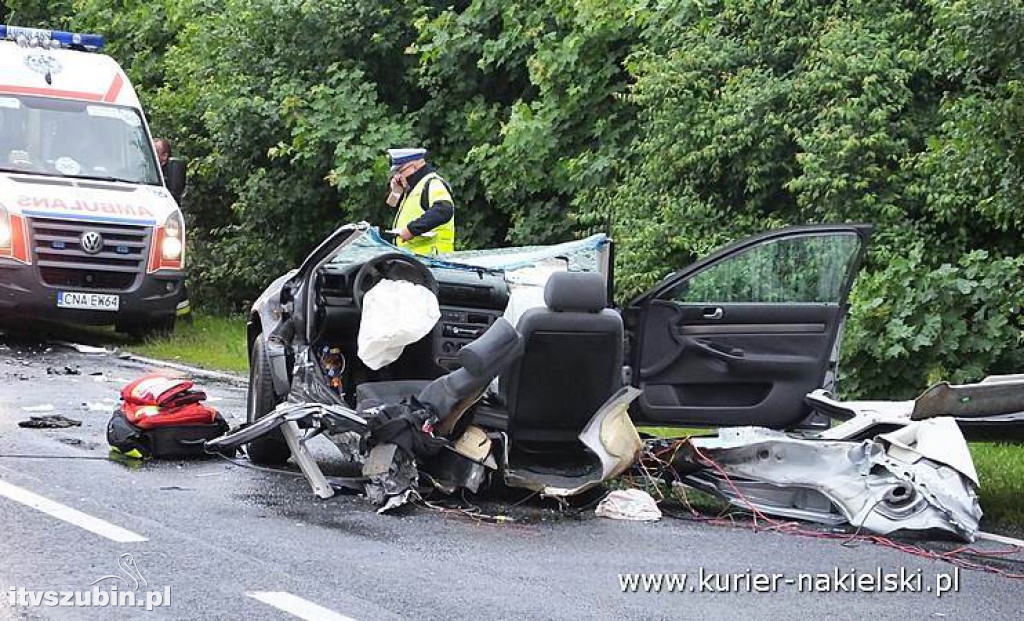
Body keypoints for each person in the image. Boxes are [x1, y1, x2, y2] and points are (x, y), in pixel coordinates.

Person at [386, 148, 456, 255]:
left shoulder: (432, 182)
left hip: (433, 258)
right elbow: (394, 211)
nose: (398, 177)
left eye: (401, 171)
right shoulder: (413, 188)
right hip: (416, 259)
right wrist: (396, 192)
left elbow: (444, 210)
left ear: (414, 167)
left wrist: (412, 230)